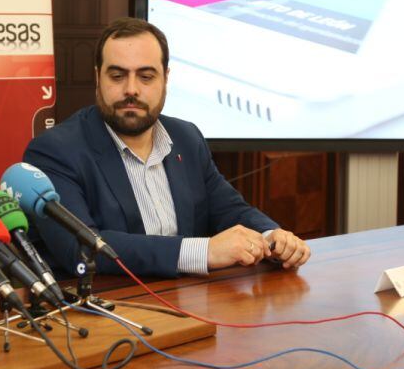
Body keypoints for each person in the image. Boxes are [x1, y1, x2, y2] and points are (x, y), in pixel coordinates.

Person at [23, 17, 311, 278]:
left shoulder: (186, 137)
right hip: (110, 308)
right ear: (98, 78)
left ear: (165, 78)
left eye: (146, 76)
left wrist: (272, 235)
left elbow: (229, 208)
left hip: (188, 303)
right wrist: (204, 252)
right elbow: (82, 249)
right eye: (117, 76)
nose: (131, 89)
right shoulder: (54, 151)